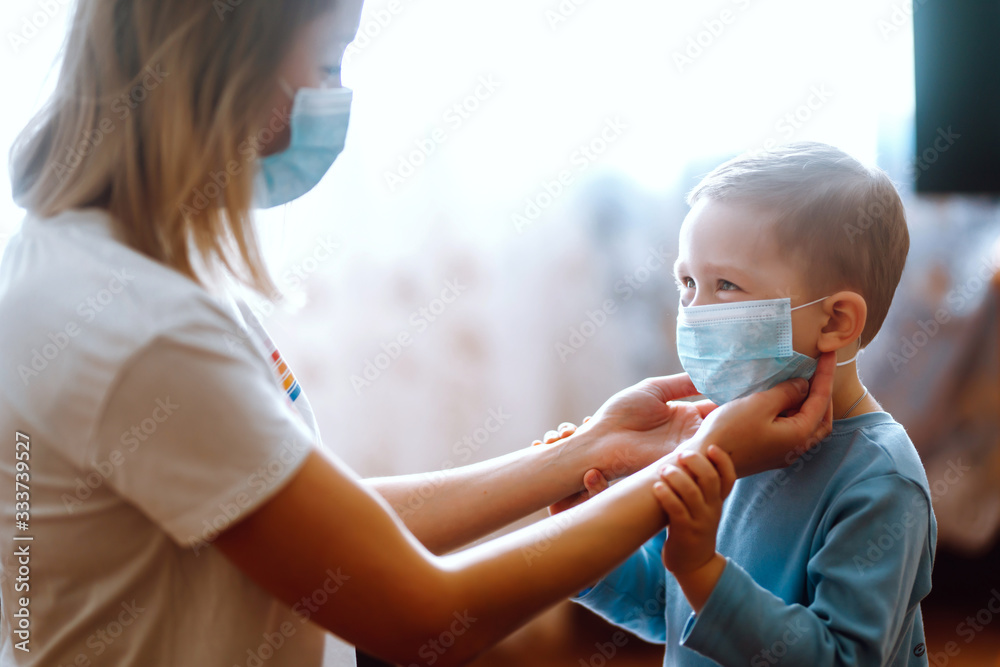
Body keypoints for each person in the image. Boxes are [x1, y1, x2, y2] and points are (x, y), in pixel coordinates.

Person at [0, 2, 835, 666]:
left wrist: (589, 449)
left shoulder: (98, 261)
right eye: (326, 61)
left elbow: (302, 516)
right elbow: (423, 613)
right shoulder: (144, 331)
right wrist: (698, 467)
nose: (337, 93)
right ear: (224, 67)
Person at [564, 142, 937, 666]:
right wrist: (586, 550)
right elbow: (665, 605)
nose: (693, 310)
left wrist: (701, 571)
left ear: (834, 321)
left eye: (726, 285)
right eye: (688, 282)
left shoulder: (879, 482)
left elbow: (842, 658)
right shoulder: (723, 435)